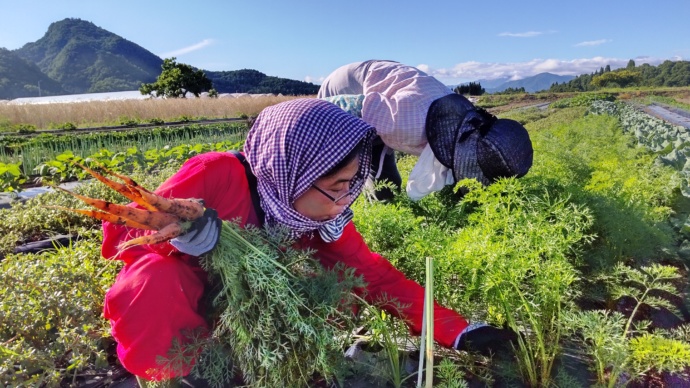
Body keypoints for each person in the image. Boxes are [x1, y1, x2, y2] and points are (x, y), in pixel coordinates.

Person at [100, 99, 516, 383]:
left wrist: (459, 330)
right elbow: (124, 236)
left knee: (339, 285)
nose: (344, 200)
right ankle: (192, 376)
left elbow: (374, 276)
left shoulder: (321, 213)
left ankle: (285, 364)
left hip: (258, 319)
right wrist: (188, 239)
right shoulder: (218, 174)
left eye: (353, 185)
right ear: (295, 167)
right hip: (198, 306)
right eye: (335, 186)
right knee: (151, 279)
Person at [318, 60, 534, 201]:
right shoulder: (405, 123)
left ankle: (383, 201)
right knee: (342, 173)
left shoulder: (468, 123)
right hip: (348, 87)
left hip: (397, 102)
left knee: (385, 176)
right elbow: (347, 106)